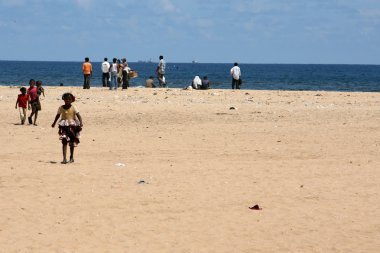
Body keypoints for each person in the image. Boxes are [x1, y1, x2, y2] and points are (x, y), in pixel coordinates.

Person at [51, 93, 83, 164]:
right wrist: (54, 123)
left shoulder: (74, 107)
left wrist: (81, 123)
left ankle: (71, 157)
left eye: (69, 99)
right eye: (66, 99)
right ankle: (64, 158)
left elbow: (78, 115)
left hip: (72, 126)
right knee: (64, 141)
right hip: (64, 126)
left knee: (71, 142)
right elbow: (58, 115)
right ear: (63, 99)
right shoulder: (61, 108)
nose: (67, 100)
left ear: (72, 100)